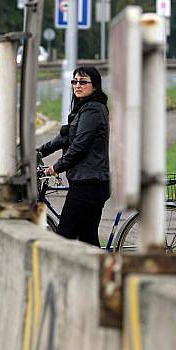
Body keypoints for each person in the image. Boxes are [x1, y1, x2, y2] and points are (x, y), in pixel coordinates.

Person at [37, 66, 110, 247]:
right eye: (75, 82)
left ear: (95, 86)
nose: (77, 85)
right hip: (89, 182)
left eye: (83, 82)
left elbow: (79, 146)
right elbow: (63, 138)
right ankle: (98, 274)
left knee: (64, 237)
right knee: (87, 239)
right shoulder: (83, 109)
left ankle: (55, 275)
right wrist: (37, 152)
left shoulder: (93, 110)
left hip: (89, 184)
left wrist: (55, 167)